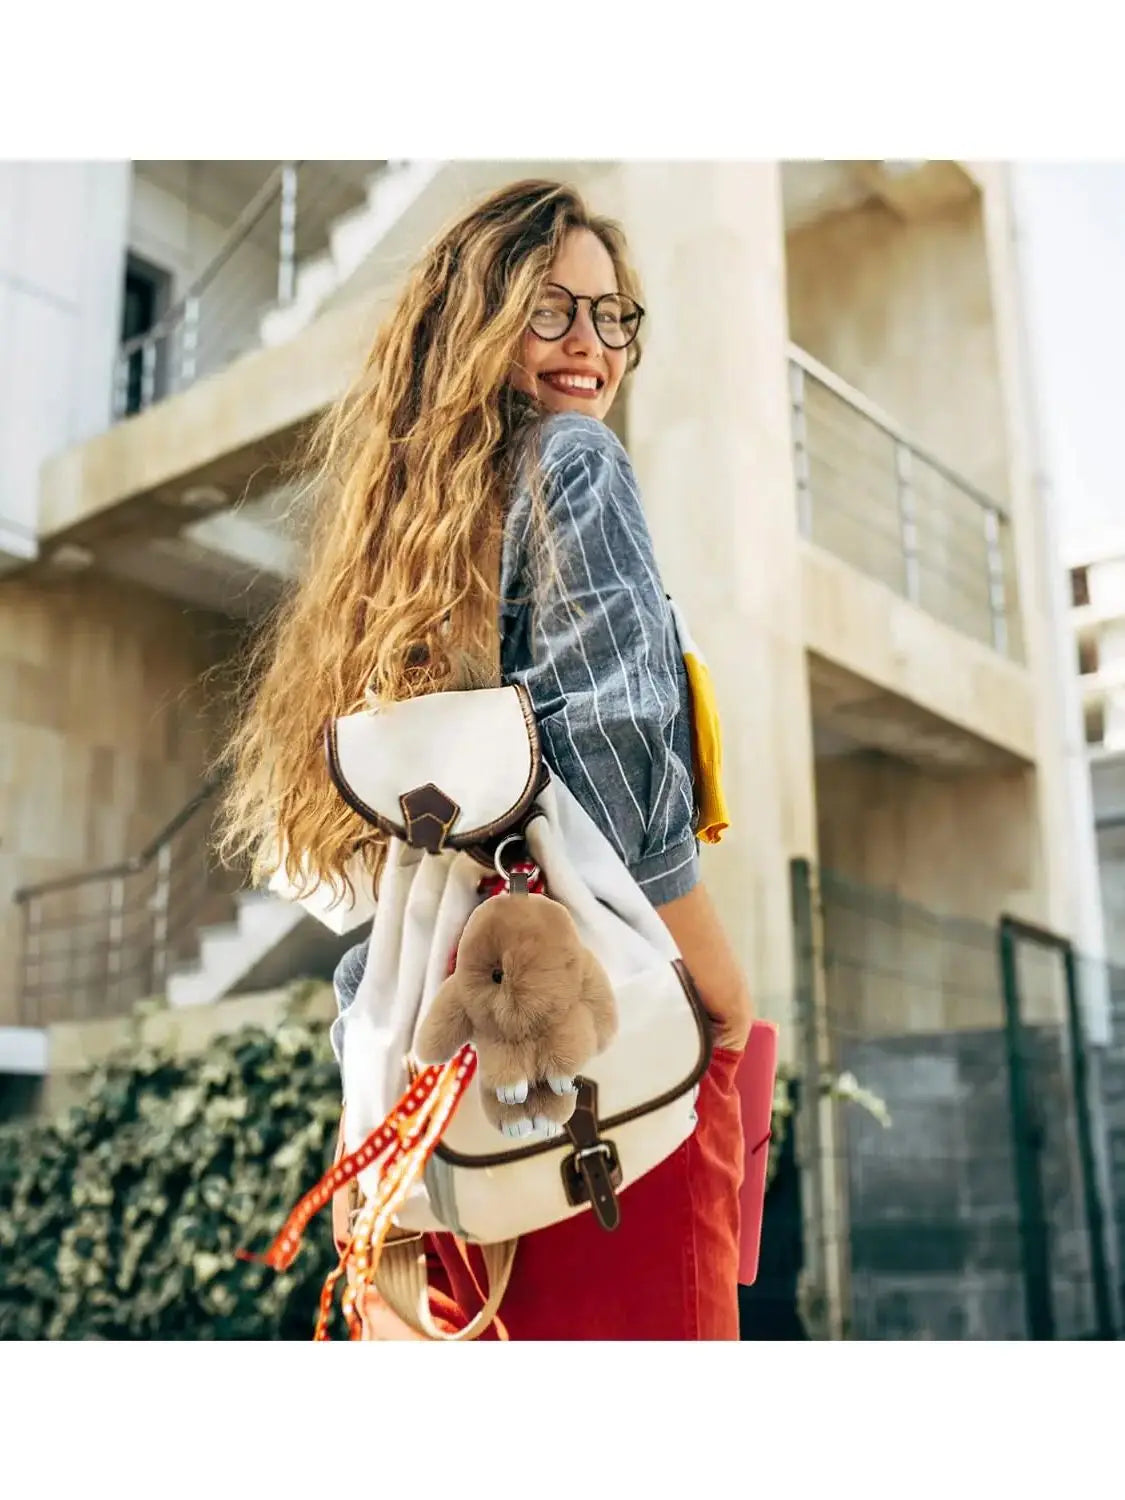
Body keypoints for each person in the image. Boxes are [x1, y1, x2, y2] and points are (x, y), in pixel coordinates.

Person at [221, 179, 753, 1340]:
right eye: (550, 310)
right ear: (482, 322)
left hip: (431, 1089)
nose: (591, 348)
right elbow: (615, 765)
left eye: (614, 317)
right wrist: (726, 994)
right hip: (590, 1068)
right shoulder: (573, 463)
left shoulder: (413, 529)